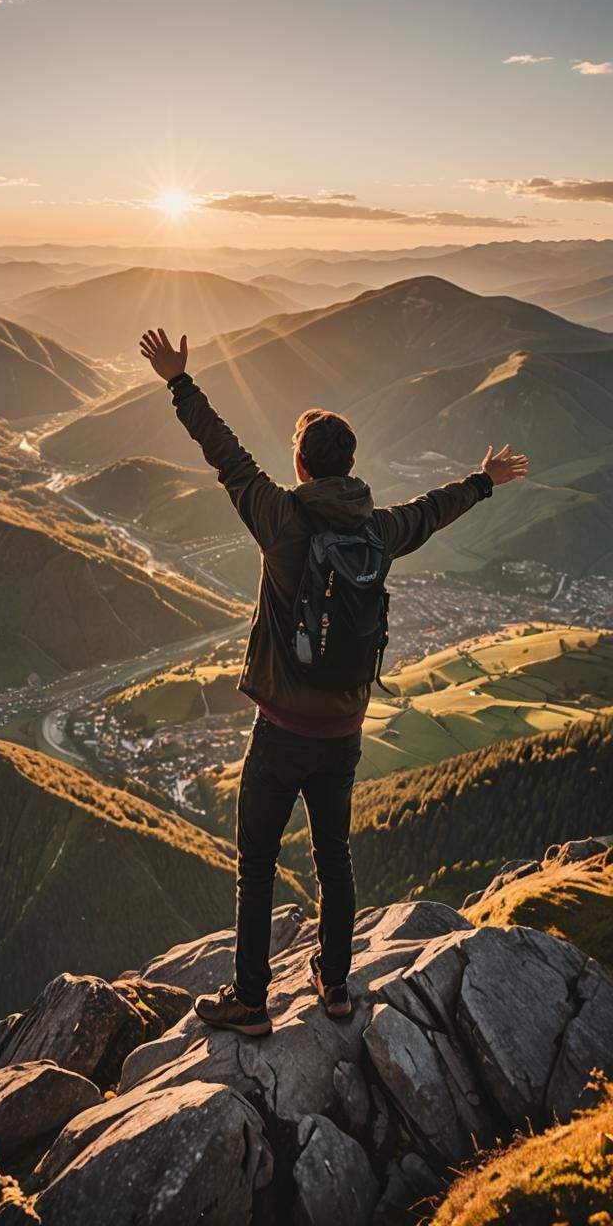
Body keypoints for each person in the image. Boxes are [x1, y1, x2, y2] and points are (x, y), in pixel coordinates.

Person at [139, 327, 529, 1036]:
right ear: (351, 465)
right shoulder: (378, 531)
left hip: (281, 731)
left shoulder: (281, 520)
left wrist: (180, 382)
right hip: (344, 731)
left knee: (257, 864)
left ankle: (250, 1000)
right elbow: (432, 512)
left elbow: (226, 454)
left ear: (301, 464)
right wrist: (484, 481)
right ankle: (337, 985)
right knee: (335, 859)